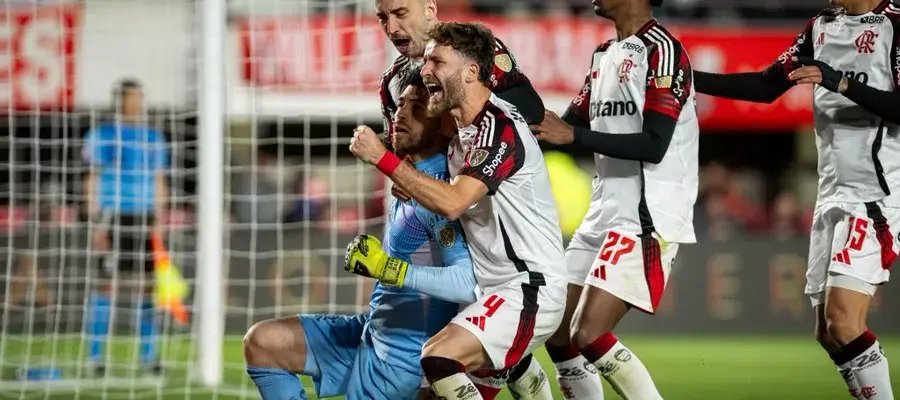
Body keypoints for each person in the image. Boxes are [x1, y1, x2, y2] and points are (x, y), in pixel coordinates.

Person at [245, 70, 510, 400]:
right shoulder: (411, 178)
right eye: (401, 104)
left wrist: (389, 269)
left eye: (417, 107)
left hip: (403, 359)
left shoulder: (441, 190)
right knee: (263, 342)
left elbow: (466, 281)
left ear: (443, 123)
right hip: (371, 330)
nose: (401, 113)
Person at [691, 0, 899, 398]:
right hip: (832, 194)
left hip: (874, 195)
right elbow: (767, 86)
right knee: (827, 331)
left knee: (843, 321)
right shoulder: (820, 26)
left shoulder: (894, 25)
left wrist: (842, 83)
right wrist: (688, 76)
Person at [349, 22, 567, 400]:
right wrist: (413, 180)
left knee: (438, 357)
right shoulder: (462, 135)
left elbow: (453, 202)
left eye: (437, 61)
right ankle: (522, 375)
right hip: (490, 292)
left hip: (527, 288)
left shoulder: (498, 128)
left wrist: (382, 158)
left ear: (470, 72)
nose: (426, 69)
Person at [530, 0, 700, 398]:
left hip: (646, 214)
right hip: (603, 211)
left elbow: (655, 144)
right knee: (556, 331)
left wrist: (572, 136)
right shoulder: (604, 54)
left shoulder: (664, 51)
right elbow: (568, 125)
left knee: (587, 331)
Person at [82, 78, 169, 375]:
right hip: (113, 214)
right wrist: (95, 219)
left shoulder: (153, 137)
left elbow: (159, 179)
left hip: (144, 217)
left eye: (138, 98)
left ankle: (149, 356)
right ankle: (95, 357)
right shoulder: (103, 134)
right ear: (119, 101)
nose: (135, 103)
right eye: (130, 98)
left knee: (147, 288)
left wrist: (159, 218)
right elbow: (92, 176)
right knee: (106, 285)